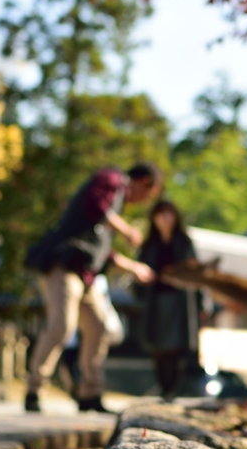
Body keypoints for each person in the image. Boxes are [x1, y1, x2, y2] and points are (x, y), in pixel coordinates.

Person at [24, 162, 160, 413]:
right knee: (62, 326)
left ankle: (90, 394)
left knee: (99, 328)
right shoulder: (112, 180)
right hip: (63, 267)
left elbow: (102, 252)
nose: (143, 201)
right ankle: (34, 389)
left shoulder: (113, 210)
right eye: (148, 194)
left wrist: (133, 267)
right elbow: (95, 206)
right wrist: (127, 230)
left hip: (86, 276)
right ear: (144, 182)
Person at [139, 200, 201, 399]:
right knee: (159, 348)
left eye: (169, 214)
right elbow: (140, 275)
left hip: (181, 303)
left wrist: (202, 304)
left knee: (178, 349)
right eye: (161, 214)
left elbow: (197, 274)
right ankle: (164, 388)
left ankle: (172, 391)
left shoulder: (184, 243)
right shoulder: (149, 245)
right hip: (156, 302)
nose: (165, 219)